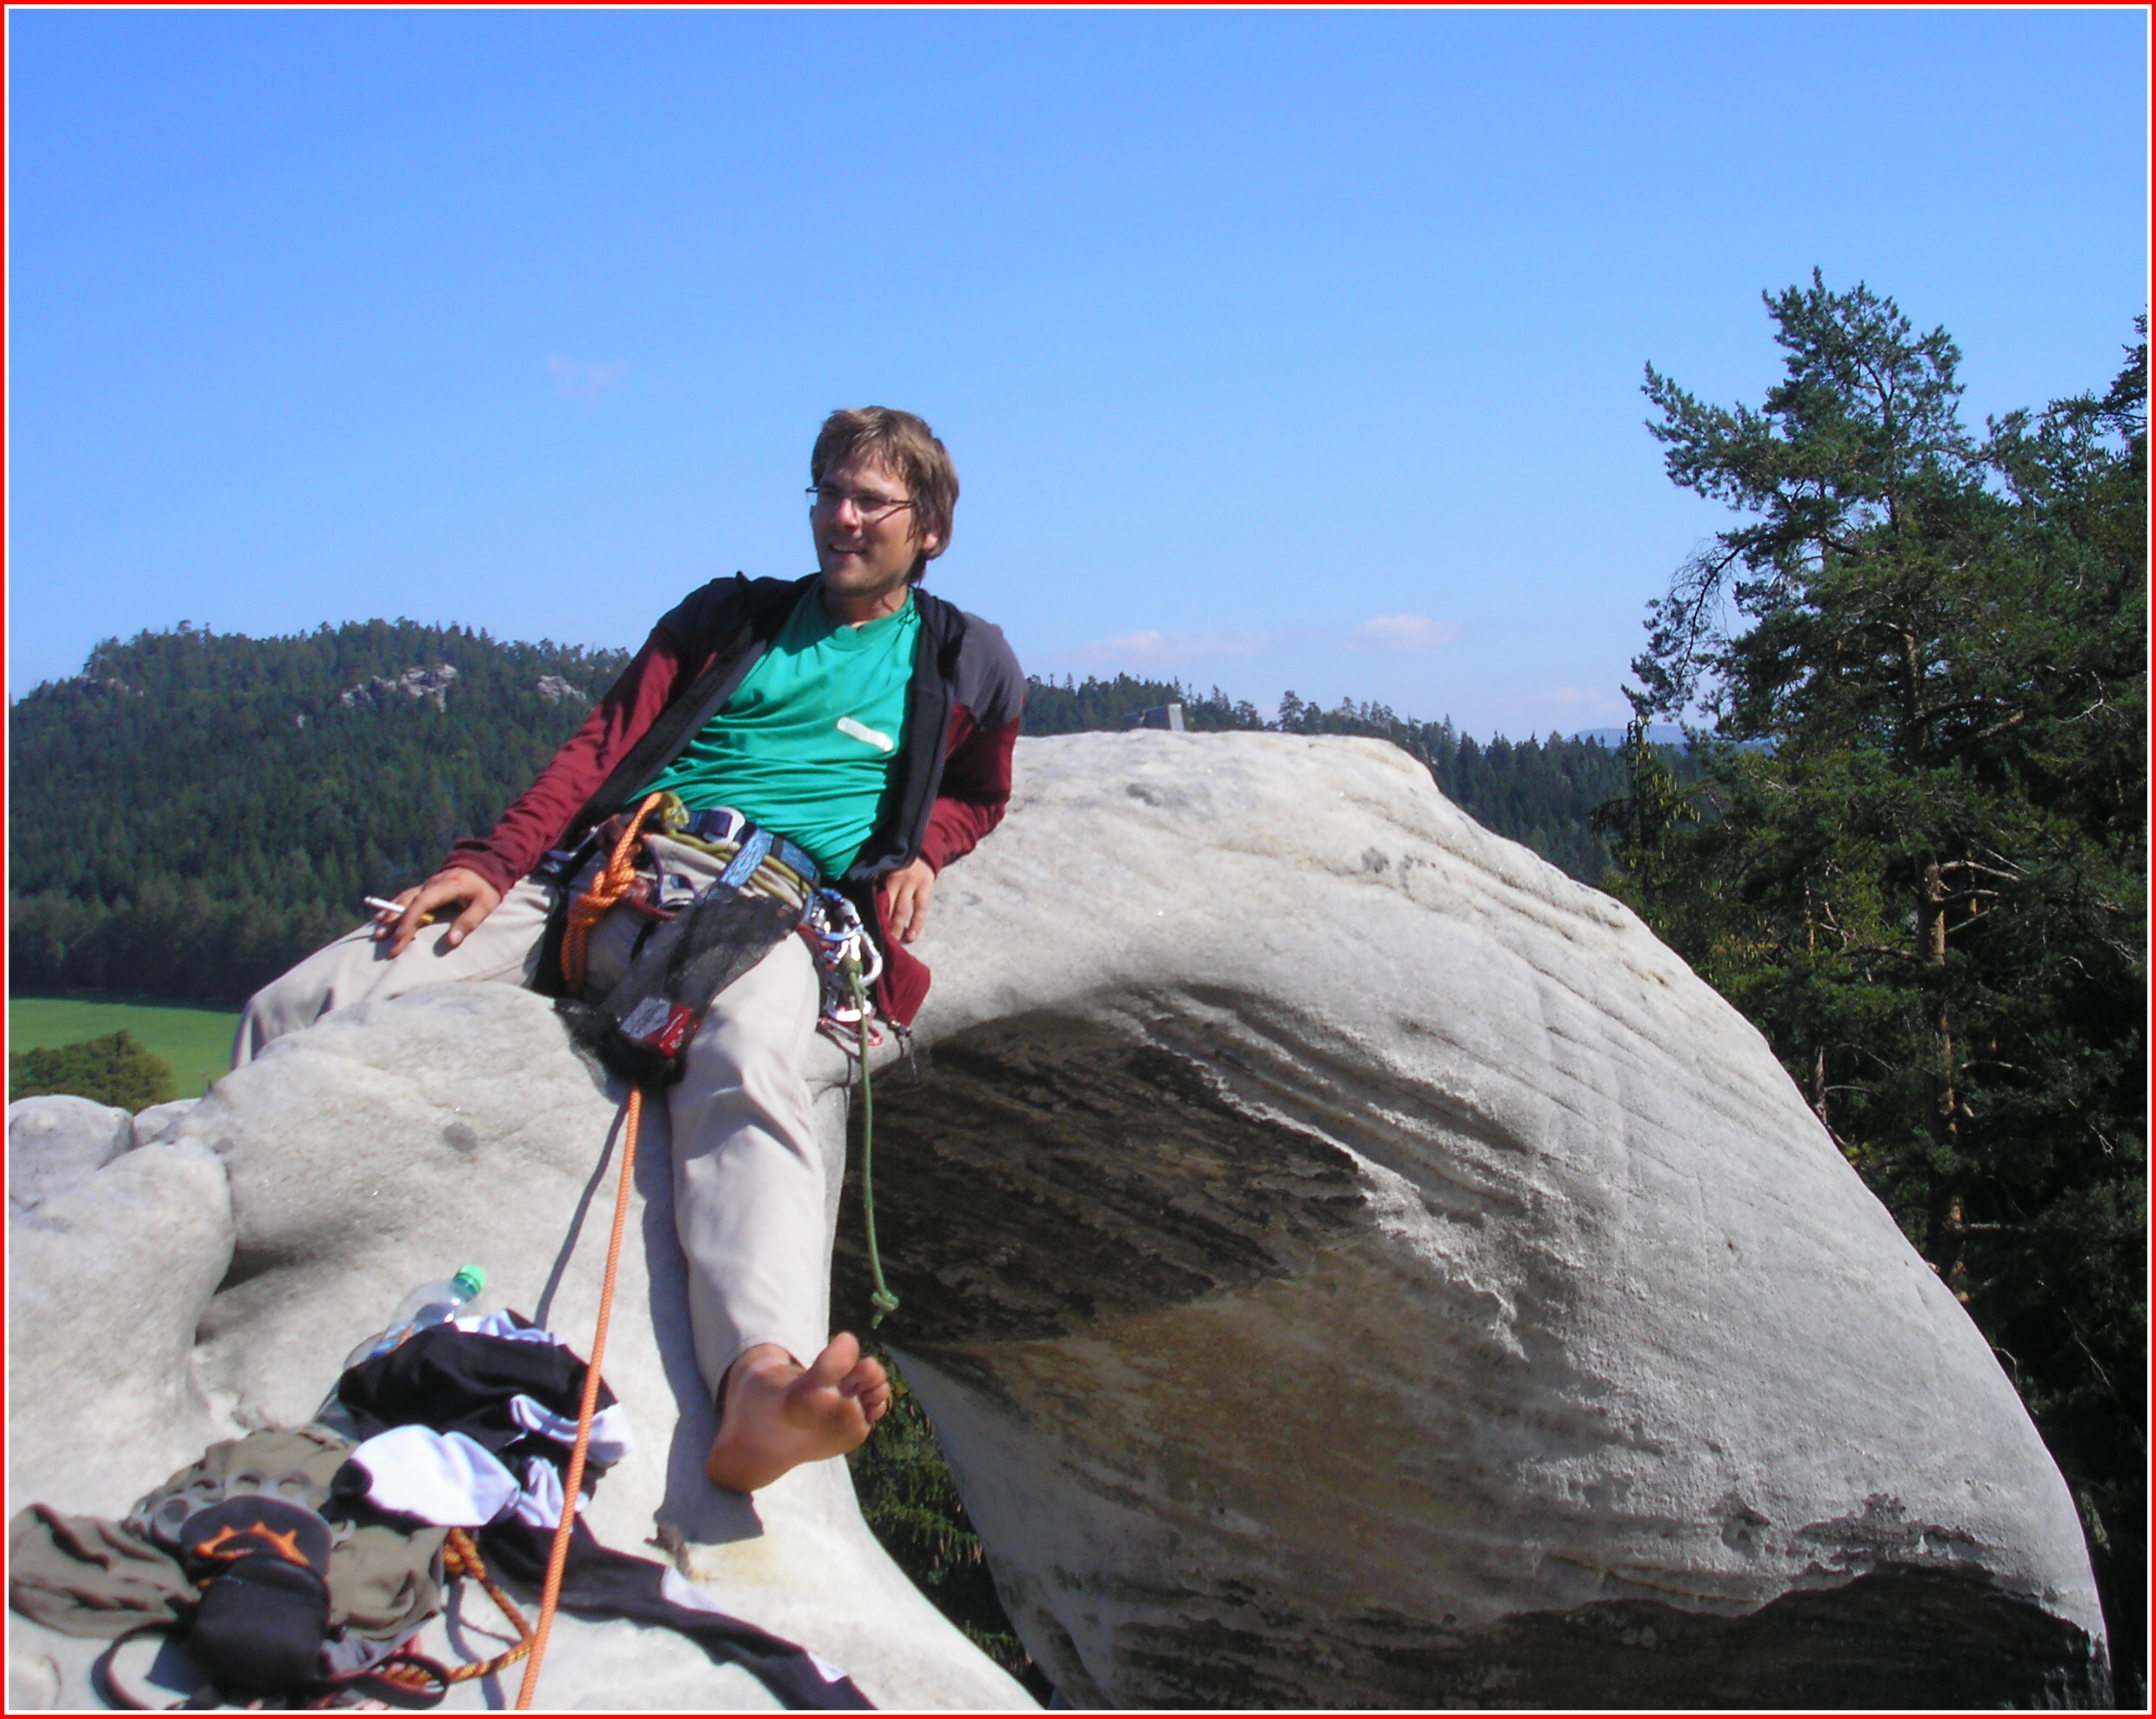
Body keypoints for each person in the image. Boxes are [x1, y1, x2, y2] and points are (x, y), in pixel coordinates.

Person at [235, 407, 1025, 1494]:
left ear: (927, 528)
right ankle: (222, 1248)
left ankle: (759, 1386)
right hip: (606, 869)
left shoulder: (963, 657)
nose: (838, 518)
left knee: (747, 1071)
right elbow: (602, 745)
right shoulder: (729, 616)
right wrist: (493, 861)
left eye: (867, 501)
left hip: (767, 906)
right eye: (825, 492)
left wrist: (923, 848)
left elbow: (981, 792)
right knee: (323, 988)